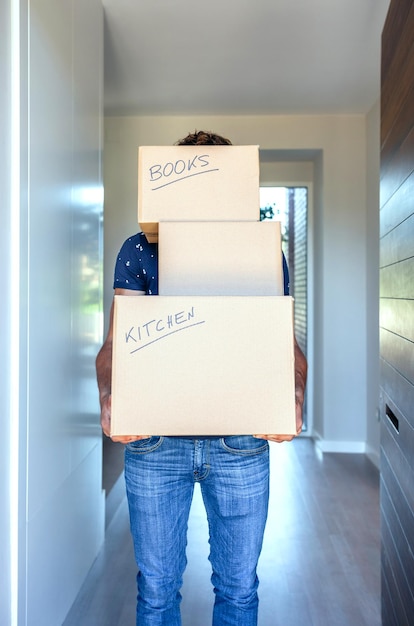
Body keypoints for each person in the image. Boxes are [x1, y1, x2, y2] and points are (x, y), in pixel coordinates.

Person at [96, 130, 307, 626]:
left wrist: (295, 396)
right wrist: (109, 398)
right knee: (156, 592)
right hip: (154, 444)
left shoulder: (262, 249)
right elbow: (114, 347)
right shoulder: (137, 250)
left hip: (240, 443)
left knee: (238, 591)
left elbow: (283, 344)